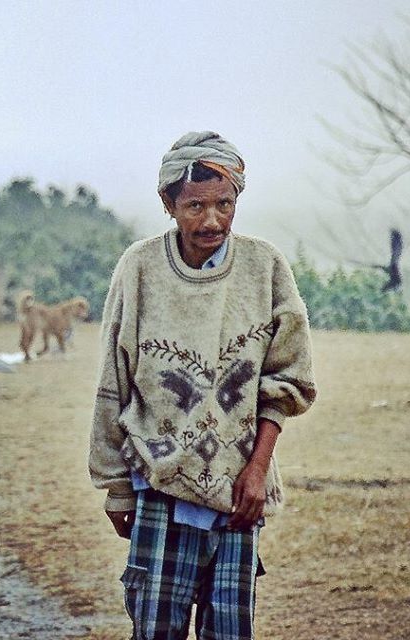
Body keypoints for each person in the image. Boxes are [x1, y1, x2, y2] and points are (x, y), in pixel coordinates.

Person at [88, 131, 316, 640]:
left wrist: (256, 471)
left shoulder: (266, 267)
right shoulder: (140, 268)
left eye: (224, 204)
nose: (211, 220)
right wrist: (117, 488)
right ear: (168, 203)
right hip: (160, 485)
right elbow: (115, 381)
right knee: (156, 629)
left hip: (240, 494)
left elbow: (287, 382)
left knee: (230, 631)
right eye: (194, 205)